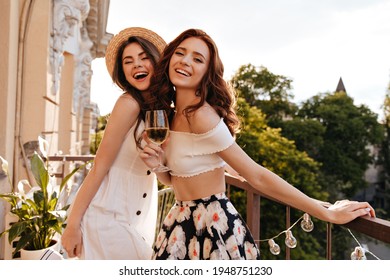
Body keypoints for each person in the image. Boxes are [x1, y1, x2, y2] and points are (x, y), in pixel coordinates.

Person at [139, 28, 376, 260]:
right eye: (180, 53)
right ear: (170, 58)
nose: (185, 61)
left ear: (207, 73)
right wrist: (158, 165)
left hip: (212, 228)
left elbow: (257, 176)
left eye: (197, 59)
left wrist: (327, 214)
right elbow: (177, 179)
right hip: (179, 222)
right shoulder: (168, 116)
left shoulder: (202, 115)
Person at [61, 27, 166, 259]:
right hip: (108, 218)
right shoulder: (128, 104)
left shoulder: (159, 110)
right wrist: (72, 225)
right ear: (123, 71)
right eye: (128, 61)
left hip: (135, 220)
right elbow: (99, 166)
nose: (137, 65)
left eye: (144, 57)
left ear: (157, 62)